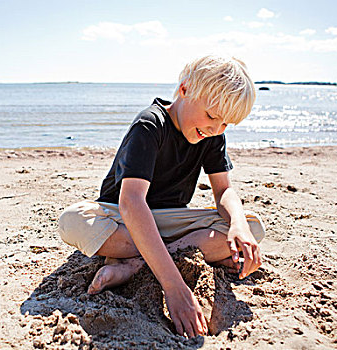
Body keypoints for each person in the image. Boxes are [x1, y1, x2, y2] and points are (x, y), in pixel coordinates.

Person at [58, 55, 265, 338]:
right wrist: (174, 285)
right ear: (184, 90)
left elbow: (224, 190)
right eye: (212, 117)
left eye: (226, 124)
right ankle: (162, 255)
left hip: (168, 222)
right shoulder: (150, 124)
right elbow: (131, 202)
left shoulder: (212, 135)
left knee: (252, 228)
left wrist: (238, 225)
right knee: (72, 221)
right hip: (122, 216)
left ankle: (135, 264)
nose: (216, 130)